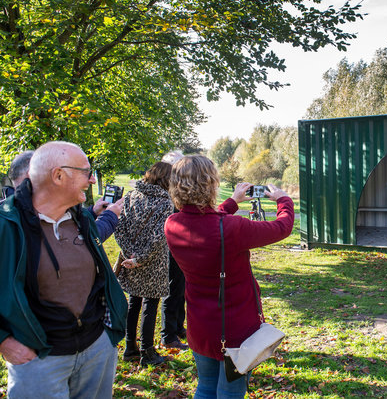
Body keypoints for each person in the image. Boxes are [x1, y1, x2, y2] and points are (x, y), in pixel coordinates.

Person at [0, 141, 127, 398]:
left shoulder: (82, 219)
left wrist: (106, 337)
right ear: (57, 176)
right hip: (38, 357)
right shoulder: (6, 224)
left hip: (96, 347)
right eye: (85, 172)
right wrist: (3, 340)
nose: (92, 180)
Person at [164, 155, 294, 398]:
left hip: (200, 324)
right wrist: (283, 200)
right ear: (211, 183)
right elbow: (282, 227)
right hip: (235, 327)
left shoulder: (172, 224)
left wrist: (232, 201)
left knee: (205, 386)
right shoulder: (232, 228)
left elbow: (207, 222)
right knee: (230, 392)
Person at [114, 162, 174, 366]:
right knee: (150, 303)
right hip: (153, 261)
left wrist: (128, 254)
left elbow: (119, 227)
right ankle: (147, 351)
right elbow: (159, 237)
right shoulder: (165, 202)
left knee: (134, 302)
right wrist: (139, 259)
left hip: (130, 258)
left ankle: (130, 347)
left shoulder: (131, 196)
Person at [160, 150, 188, 350]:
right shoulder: (164, 191)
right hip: (167, 245)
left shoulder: (177, 188)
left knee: (181, 287)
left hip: (181, 242)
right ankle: (168, 335)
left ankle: (178, 327)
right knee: (171, 288)